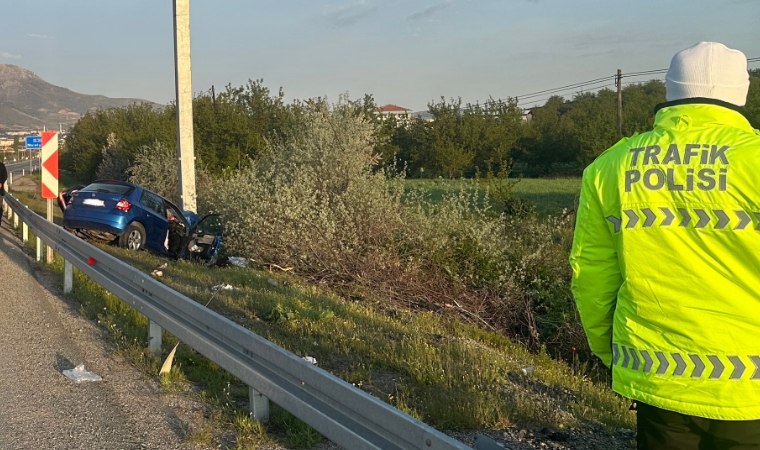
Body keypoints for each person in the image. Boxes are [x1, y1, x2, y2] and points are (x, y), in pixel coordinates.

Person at [569, 42, 760, 449]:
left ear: (670, 90)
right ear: (741, 93)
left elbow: (592, 278)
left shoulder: (611, 166)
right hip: (750, 395)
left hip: (658, 376)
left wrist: (614, 354)